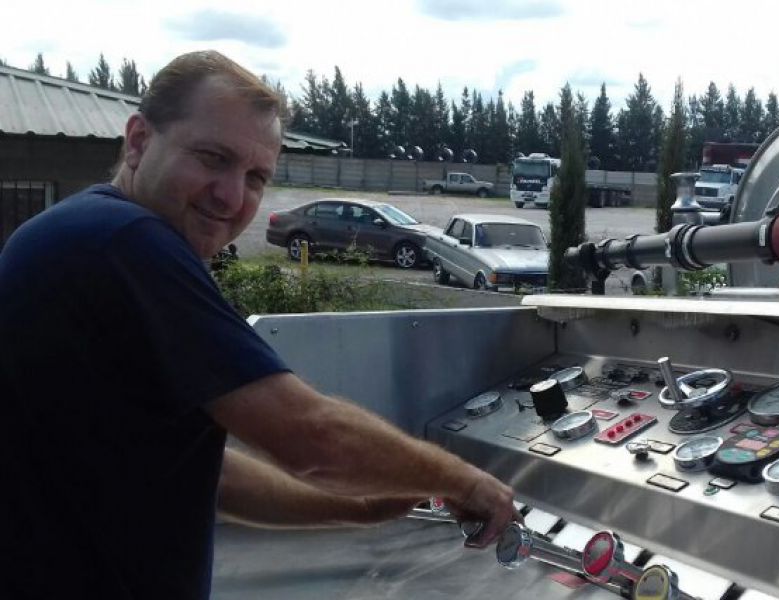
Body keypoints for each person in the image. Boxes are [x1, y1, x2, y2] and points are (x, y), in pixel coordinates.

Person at [0, 50, 517, 599]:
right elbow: (313, 436)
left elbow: (207, 476)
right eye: (212, 158)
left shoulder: (86, 234)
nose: (231, 196)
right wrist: (463, 479)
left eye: (255, 177)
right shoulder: (126, 242)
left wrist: (360, 507)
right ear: (138, 141)